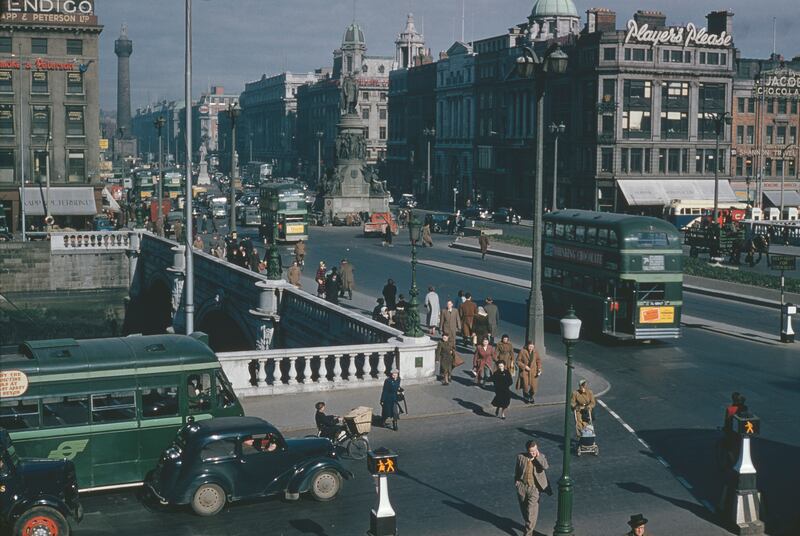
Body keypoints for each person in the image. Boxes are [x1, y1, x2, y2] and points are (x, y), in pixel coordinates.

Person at [514, 440, 550, 536]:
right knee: (524, 509)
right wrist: (517, 483)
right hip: (522, 487)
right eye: (531, 451)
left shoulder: (541, 457)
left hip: (534, 488)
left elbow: (545, 466)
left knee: (531, 512)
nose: (533, 452)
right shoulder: (520, 457)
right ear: (527, 451)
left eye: (535, 450)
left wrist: (537, 456)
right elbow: (517, 471)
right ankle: (529, 525)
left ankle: (528, 533)